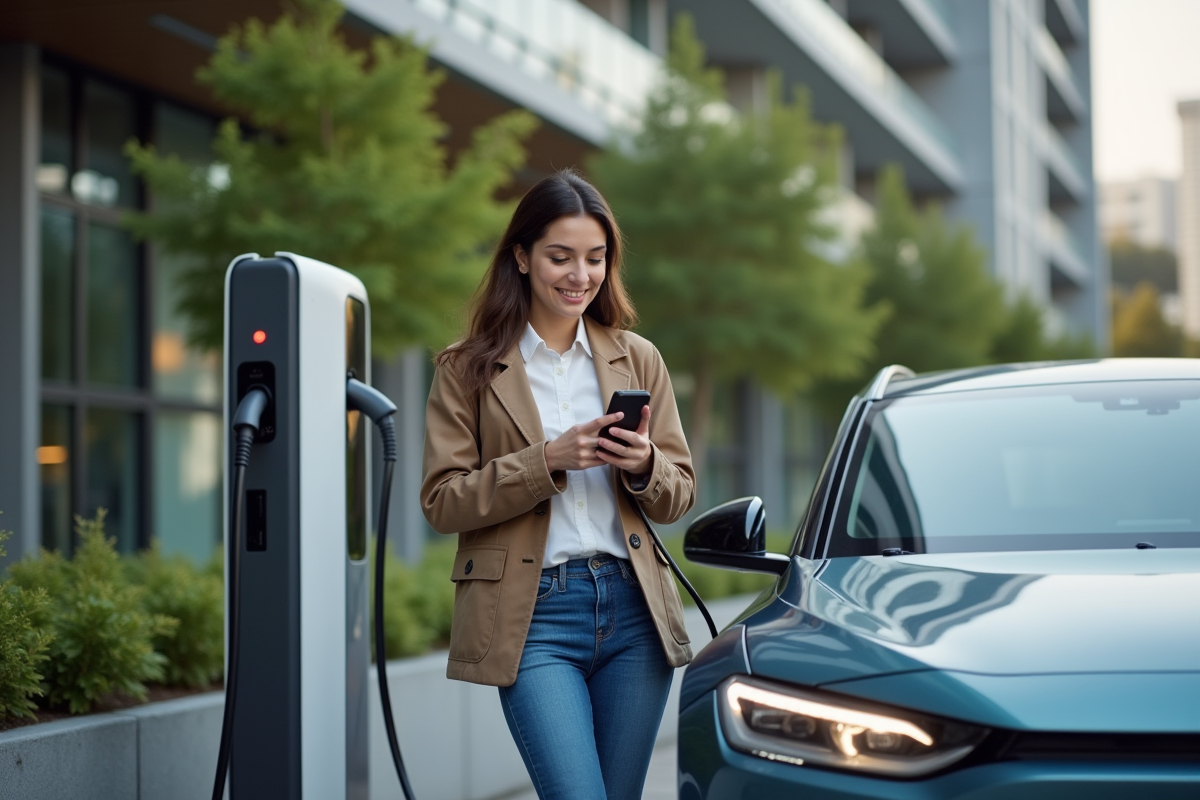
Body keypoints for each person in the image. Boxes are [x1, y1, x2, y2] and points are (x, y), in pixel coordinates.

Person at [420, 168, 696, 800]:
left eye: (595, 258)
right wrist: (546, 461)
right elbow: (442, 499)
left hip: (633, 612)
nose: (580, 275)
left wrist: (644, 462)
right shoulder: (467, 368)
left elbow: (678, 491)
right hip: (534, 615)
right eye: (560, 257)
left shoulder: (638, 357)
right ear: (521, 256)